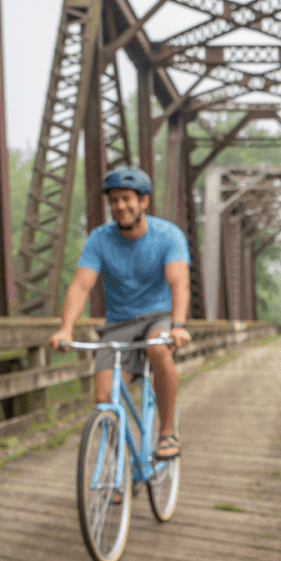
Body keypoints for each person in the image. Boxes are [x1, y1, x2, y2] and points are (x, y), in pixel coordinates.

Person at [47, 166, 191, 462]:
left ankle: (166, 432)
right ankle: (117, 470)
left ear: (144, 202)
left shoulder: (168, 235)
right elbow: (80, 285)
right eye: (114, 200)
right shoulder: (100, 239)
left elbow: (179, 282)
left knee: (157, 348)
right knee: (103, 400)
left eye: (127, 198)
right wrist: (65, 328)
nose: (120, 206)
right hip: (118, 323)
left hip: (158, 316)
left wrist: (177, 324)